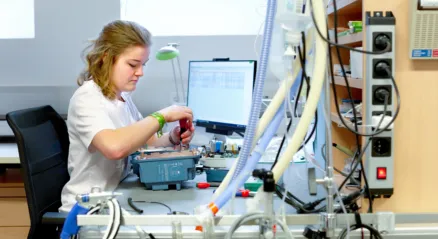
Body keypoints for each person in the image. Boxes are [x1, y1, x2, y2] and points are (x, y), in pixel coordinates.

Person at [59, 20, 195, 212]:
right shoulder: (87, 98)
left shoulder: (122, 97)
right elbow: (115, 148)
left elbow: (146, 142)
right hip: (86, 210)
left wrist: (173, 137)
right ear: (107, 58)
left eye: (143, 65)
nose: (140, 72)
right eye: (133, 64)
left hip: (115, 198)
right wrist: (161, 116)